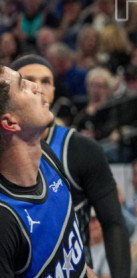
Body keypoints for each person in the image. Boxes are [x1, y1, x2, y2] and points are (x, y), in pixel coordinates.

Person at [11, 54, 131, 277]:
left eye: (46, 81)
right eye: (27, 81)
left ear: (54, 90)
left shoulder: (79, 149)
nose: (38, 87)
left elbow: (113, 223)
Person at [0, 64, 93, 277]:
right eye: (22, 85)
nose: (37, 87)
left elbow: (76, 263)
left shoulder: (46, 157)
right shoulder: (5, 219)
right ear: (10, 122)